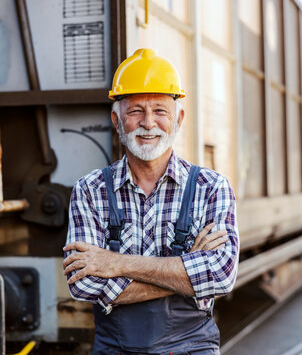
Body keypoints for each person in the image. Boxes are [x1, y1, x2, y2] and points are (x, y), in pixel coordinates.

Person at [63, 48, 239, 355]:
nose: (148, 123)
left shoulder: (211, 187)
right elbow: (84, 284)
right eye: (135, 112)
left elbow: (221, 276)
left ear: (178, 119)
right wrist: (186, 270)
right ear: (117, 120)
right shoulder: (90, 190)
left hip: (191, 348)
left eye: (160, 110)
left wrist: (115, 263)